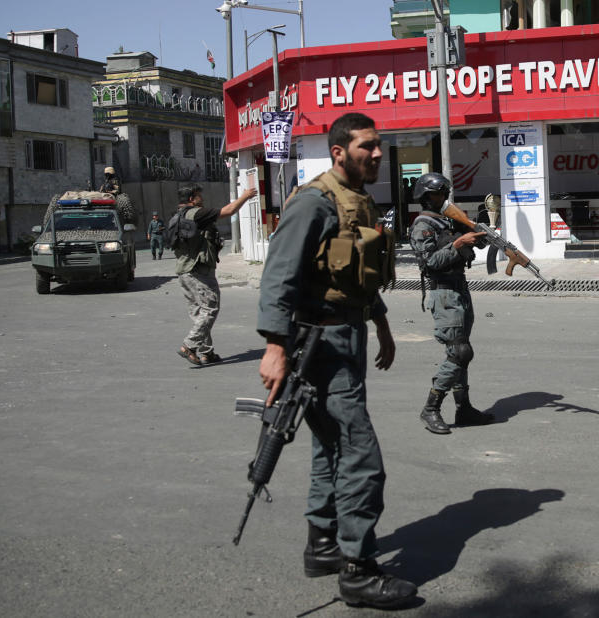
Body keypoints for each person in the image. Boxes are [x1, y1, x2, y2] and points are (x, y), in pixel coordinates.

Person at [256, 112, 417, 609]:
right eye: (366, 146)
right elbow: (278, 277)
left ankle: (322, 545)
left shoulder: (359, 203)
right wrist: (275, 347)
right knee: (358, 455)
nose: (375, 153)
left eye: (378, 145)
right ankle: (358, 571)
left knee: (330, 449)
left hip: (347, 338)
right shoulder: (313, 203)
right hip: (319, 347)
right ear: (338, 152)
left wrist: (382, 324)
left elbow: (356, 277)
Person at [409, 172, 491, 435]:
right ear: (425, 197)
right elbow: (430, 263)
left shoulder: (446, 222)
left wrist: (477, 234)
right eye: (437, 194)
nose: (443, 198)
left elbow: (470, 246)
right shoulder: (423, 226)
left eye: (445, 194)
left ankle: (463, 407)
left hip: (460, 290)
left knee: (462, 352)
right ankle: (431, 408)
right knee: (459, 352)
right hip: (443, 294)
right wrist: (458, 243)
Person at [174, 184, 256, 366]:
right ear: (191, 199)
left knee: (198, 312)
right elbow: (228, 210)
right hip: (199, 271)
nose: (201, 199)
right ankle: (189, 345)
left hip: (183, 270)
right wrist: (245, 196)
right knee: (210, 307)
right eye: (198, 196)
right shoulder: (197, 213)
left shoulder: (177, 216)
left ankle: (206, 352)